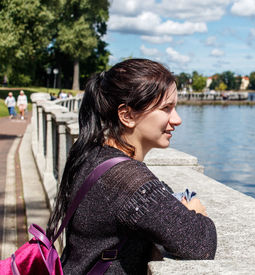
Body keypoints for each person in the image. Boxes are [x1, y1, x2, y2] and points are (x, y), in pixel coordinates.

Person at [46, 59, 217, 274]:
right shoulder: (127, 180)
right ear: (126, 115)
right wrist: (196, 212)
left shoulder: (93, 152)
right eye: (166, 108)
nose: (177, 119)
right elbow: (201, 243)